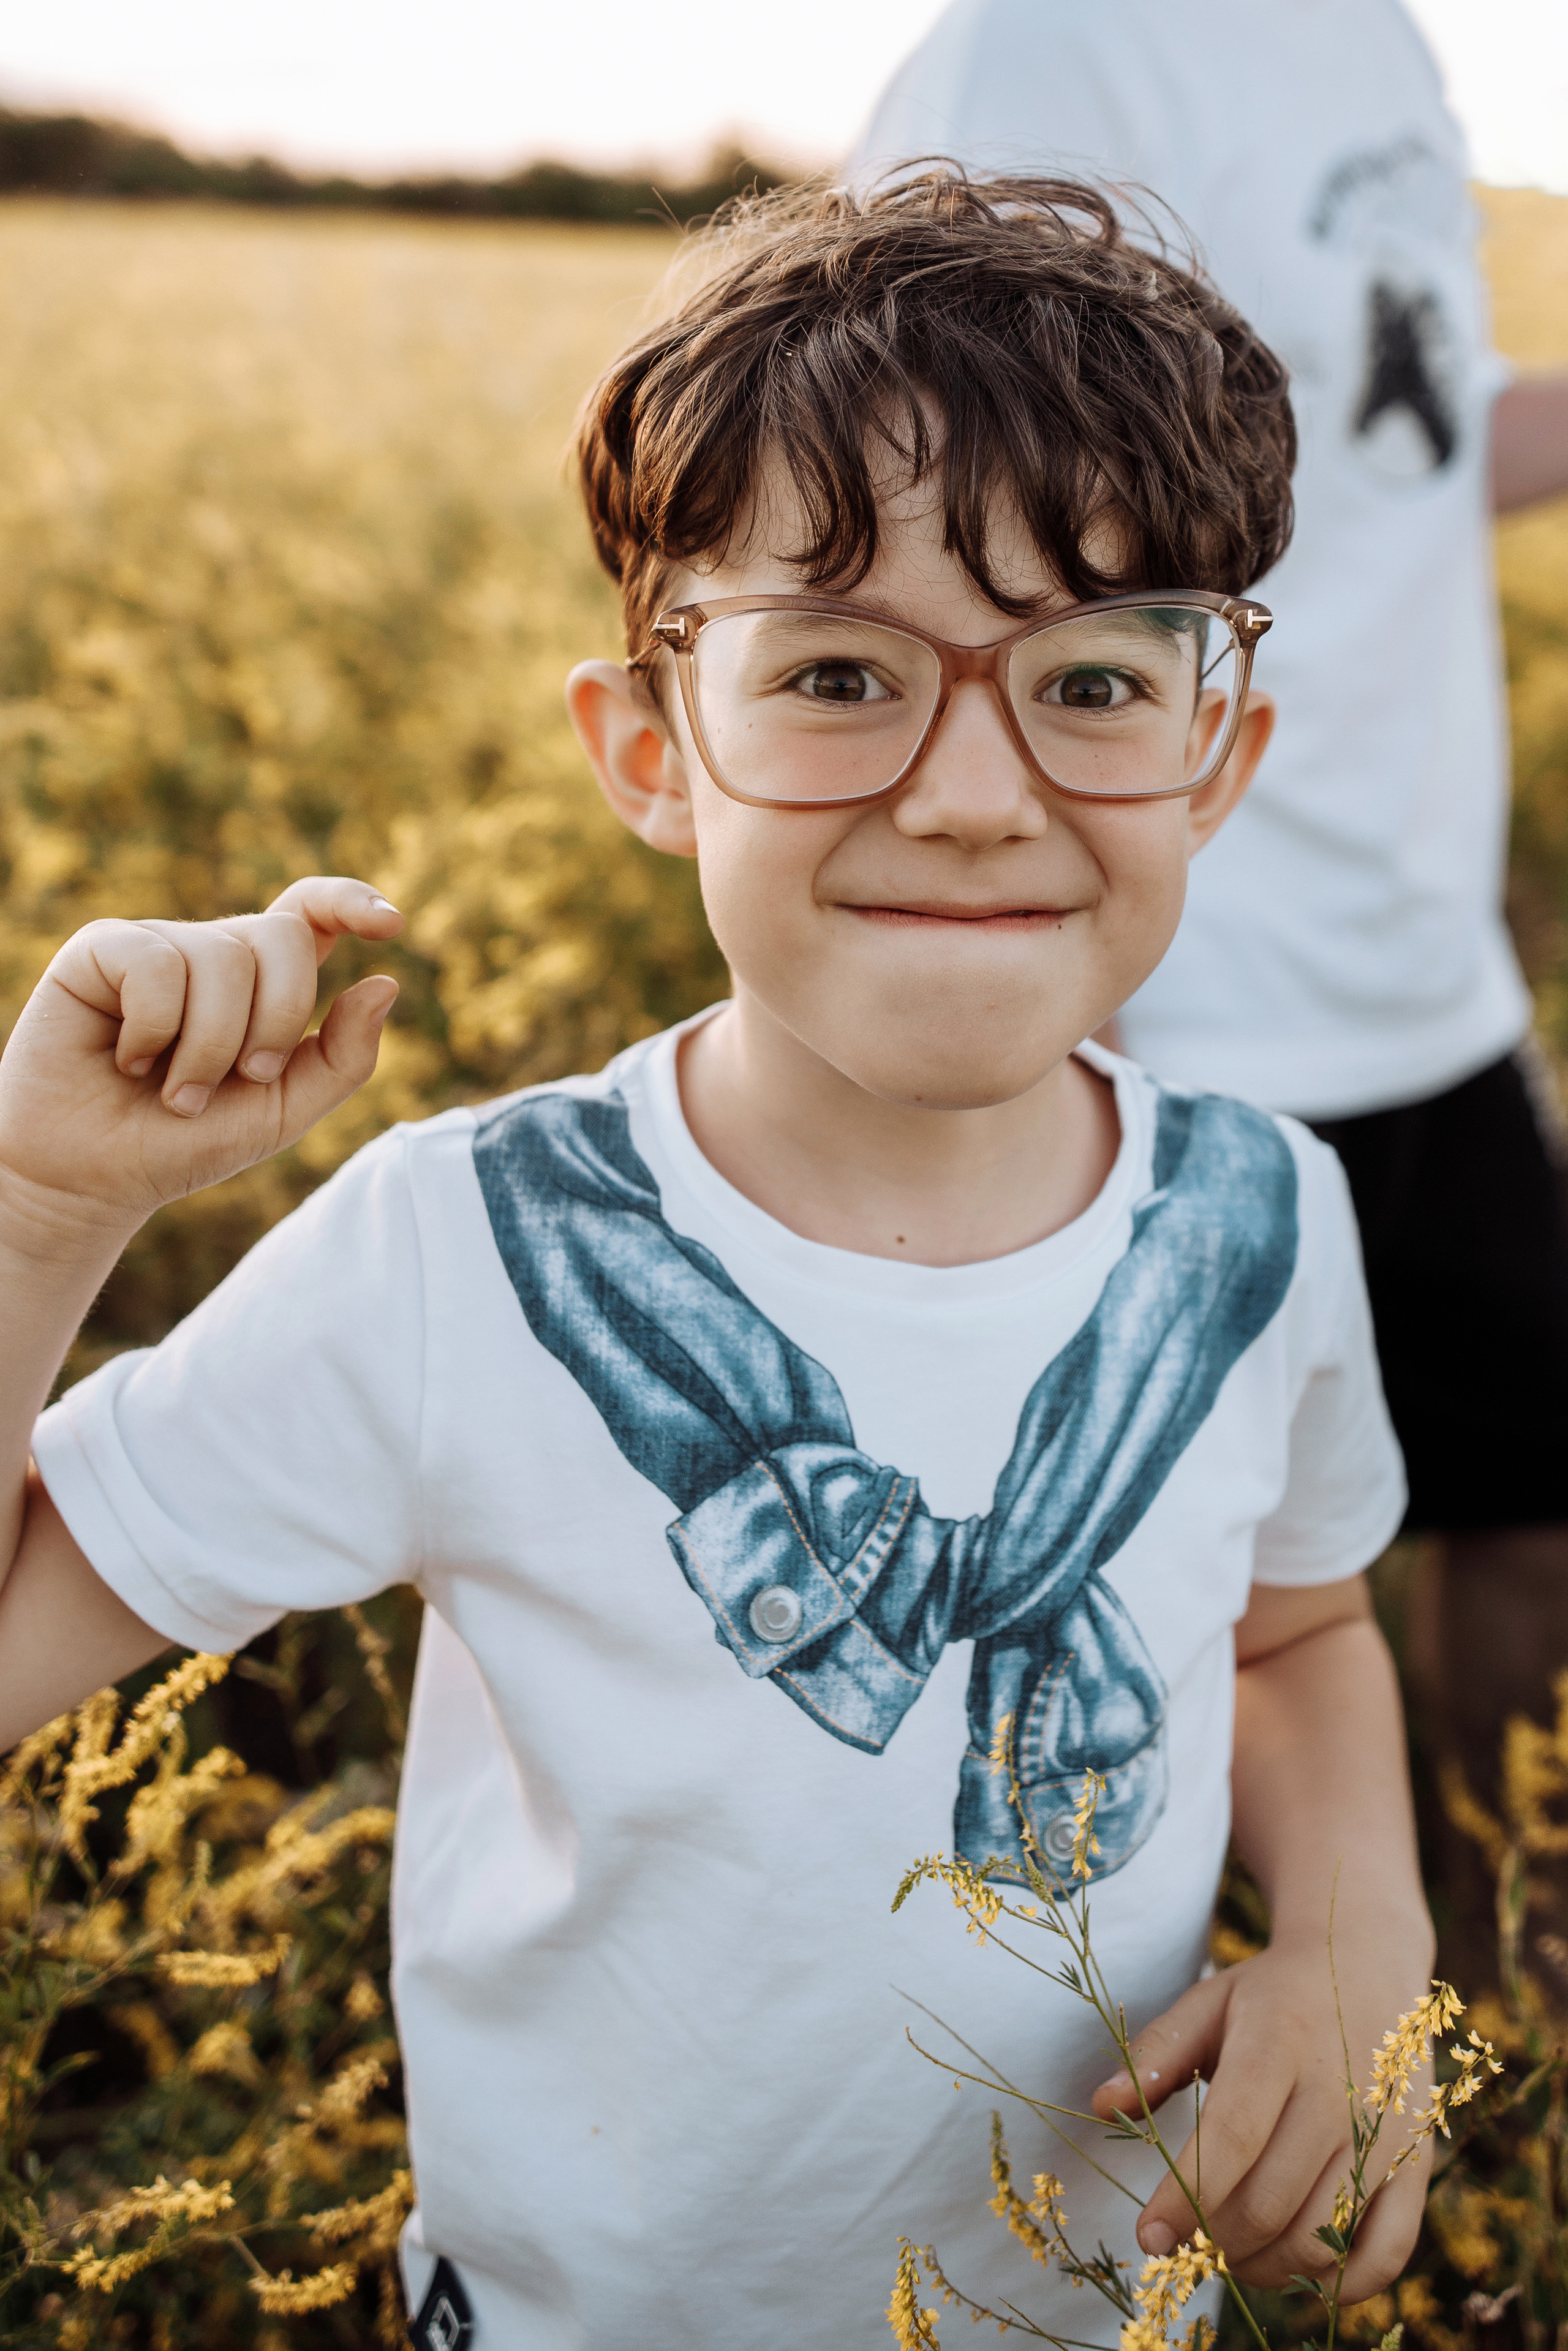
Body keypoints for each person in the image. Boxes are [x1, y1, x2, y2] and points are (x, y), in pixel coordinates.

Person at [0, 173, 1429, 2347]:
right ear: (656, 750)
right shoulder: (456, 1254)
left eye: (1098, 677)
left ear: (1215, 748)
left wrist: (1354, 1933)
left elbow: (1301, 1630)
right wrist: (44, 1212)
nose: (969, 791)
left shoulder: (1259, 1218)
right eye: (842, 672)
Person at [856, 0, 1568, 1966]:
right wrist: (1046, 992)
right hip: (1194, 987)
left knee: (1526, 1501)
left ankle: (1501, 1987)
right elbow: (932, 494)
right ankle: (1248, 2008)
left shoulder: (1386, 45)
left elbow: (1395, 439)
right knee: (1196, 1602)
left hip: (1424, 972)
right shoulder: (1051, 49)